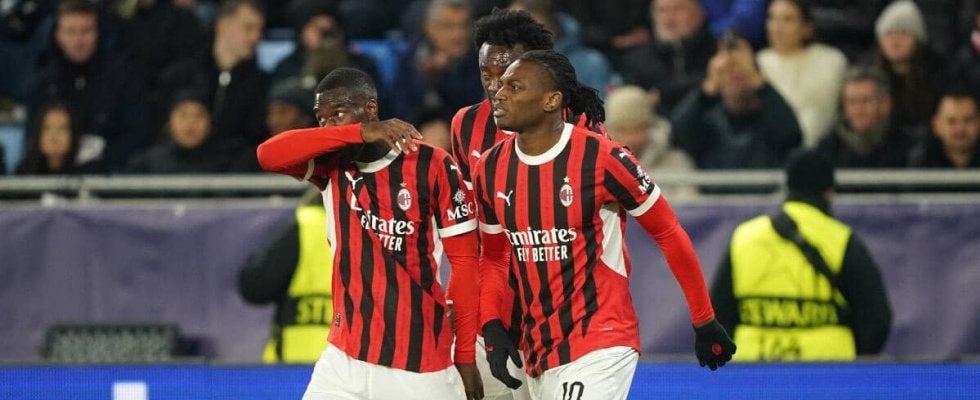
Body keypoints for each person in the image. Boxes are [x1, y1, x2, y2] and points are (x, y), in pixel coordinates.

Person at [473, 50, 735, 400]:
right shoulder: (490, 168)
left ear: (551, 100)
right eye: (501, 85)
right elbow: (494, 256)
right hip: (536, 348)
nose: (499, 93)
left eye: (514, 87)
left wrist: (704, 318)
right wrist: (492, 325)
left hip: (601, 339)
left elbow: (668, 232)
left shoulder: (604, 158)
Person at [256, 67, 483, 400]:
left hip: (419, 364)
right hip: (344, 359)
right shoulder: (330, 165)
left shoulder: (431, 164)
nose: (328, 126)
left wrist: (464, 355)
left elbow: (465, 264)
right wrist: (358, 132)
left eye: (338, 114)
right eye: (321, 119)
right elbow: (268, 154)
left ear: (371, 108)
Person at [449, 9, 606, 399]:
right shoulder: (465, 125)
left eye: (506, 76)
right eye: (486, 74)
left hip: (563, 306)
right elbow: (472, 231)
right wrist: (471, 309)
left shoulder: (578, 122)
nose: (495, 87)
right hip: (495, 304)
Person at [710, 149, 893, 361]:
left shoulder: (744, 237)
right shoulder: (841, 240)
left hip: (754, 370)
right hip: (827, 373)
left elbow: (716, 315)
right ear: (829, 192)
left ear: (788, 185)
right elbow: (877, 319)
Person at [26, 0, 148, 173]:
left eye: (86, 31)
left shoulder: (124, 76)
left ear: (99, 33)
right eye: (70, 31)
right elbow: (33, 139)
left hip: (110, 175)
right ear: (58, 35)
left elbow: (137, 133)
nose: (78, 40)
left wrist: (102, 159)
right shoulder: (43, 82)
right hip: (52, 176)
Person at [670, 31, 802, 170]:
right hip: (714, 183)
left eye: (742, 68)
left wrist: (757, 81)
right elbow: (677, 135)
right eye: (727, 69)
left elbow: (792, 136)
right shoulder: (707, 118)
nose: (736, 75)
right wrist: (708, 88)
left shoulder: (771, 116)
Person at [238, 188, 335, 363]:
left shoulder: (305, 224)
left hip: (293, 364)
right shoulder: (372, 230)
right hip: (349, 367)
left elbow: (254, 286)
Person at [757, 0, 847, 148]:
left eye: (787, 19)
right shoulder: (759, 62)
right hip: (767, 150)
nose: (777, 27)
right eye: (772, 18)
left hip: (816, 148)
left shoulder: (830, 60)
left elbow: (820, 115)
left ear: (806, 28)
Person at [391, 0, 484, 124]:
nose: (459, 34)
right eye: (449, 27)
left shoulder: (480, 59)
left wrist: (445, 76)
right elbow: (400, 110)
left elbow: (474, 110)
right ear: (429, 28)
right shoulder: (412, 57)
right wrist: (426, 79)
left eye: (465, 26)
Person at [619, 0, 717, 115]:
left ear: (699, 14)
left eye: (678, 9)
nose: (669, 19)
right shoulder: (636, 61)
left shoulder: (717, 52)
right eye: (662, 11)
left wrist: (663, 95)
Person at [605, 85, 697, 199]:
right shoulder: (595, 167)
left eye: (639, 128)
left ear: (650, 128)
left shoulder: (677, 163)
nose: (631, 138)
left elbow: (689, 205)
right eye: (622, 130)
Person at [816, 67, 915, 169]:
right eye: (851, 102)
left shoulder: (909, 147)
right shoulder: (828, 149)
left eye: (865, 101)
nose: (858, 109)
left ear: (885, 104)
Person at [127, 90, 231, 174]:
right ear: (169, 122)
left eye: (199, 115)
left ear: (210, 123)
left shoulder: (226, 165)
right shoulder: (146, 165)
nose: (191, 123)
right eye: (183, 115)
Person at [16, 101, 103, 175]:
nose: (54, 136)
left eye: (62, 128)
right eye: (47, 128)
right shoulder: (24, 173)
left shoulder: (91, 173)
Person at [909, 91, 980, 169]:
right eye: (951, 121)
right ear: (936, 125)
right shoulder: (919, 162)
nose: (960, 129)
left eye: (968, 120)